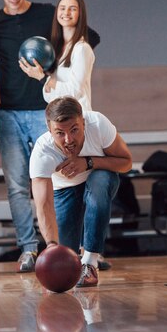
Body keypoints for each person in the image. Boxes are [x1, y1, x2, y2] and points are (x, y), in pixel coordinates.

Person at [0, 0, 100, 273]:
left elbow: (87, 39)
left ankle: (72, 250)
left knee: (63, 179)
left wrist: (49, 73)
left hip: (45, 112)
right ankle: (28, 249)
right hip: (7, 113)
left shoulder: (48, 13)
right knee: (18, 185)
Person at [29, 97, 132, 287]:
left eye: (74, 130)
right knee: (65, 259)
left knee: (99, 182)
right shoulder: (43, 152)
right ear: (49, 129)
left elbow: (126, 162)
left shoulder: (98, 124)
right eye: (60, 133)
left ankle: (90, 262)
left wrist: (88, 162)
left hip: (99, 177)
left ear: (83, 122)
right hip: (65, 191)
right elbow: (44, 205)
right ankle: (75, 260)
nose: (68, 140)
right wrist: (51, 246)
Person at [19, 0, 94, 111]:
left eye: (72, 9)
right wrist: (45, 80)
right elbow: (50, 95)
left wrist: (42, 78)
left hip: (78, 118)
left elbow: (74, 92)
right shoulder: (56, 49)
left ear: (80, 14)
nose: (66, 13)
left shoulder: (82, 49)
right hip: (59, 116)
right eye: (62, 8)